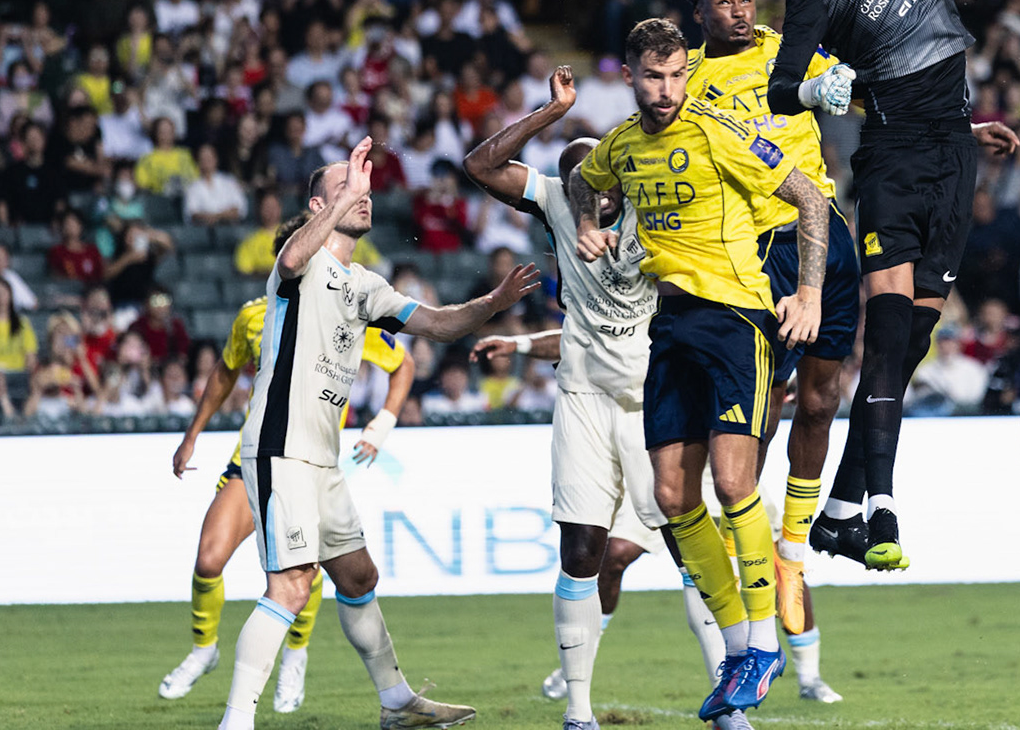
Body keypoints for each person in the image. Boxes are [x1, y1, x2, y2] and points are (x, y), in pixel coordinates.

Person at [758, 0, 1017, 571]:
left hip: (952, 140)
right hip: (897, 150)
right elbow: (788, 82)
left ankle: (837, 509)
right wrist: (856, 86)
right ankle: (882, 507)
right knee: (895, 327)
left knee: (911, 341)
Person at [216, 137, 539, 730]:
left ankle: (396, 703)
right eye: (347, 187)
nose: (364, 194)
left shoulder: (364, 284)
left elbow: (438, 326)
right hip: (280, 445)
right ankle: (236, 722)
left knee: (358, 575)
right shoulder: (301, 262)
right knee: (290, 586)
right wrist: (341, 200)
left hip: (322, 457)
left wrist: (492, 301)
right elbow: (288, 262)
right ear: (319, 207)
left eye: (365, 187)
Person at [463, 66, 745, 725]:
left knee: (689, 542)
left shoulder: (656, 204)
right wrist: (551, 112)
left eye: (593, 176)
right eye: (572, 179)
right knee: (581, 551)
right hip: (585, 400)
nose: (584, 189)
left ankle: (730, 703)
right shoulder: (560, 204)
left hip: (656, 397)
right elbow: (480, 164)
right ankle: (580, 712)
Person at [569, 18, 830, 722]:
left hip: (737, 319)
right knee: (673, 495)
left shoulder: (718, 129)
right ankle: (739, 652)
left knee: (731, 480)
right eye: (654, 77)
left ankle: (761, 645)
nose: (667, 90)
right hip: (672, 327)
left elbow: (810, 197)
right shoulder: (621, 146)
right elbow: (579, 178)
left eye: (678, 74)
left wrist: (807, 292)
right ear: (629, 75)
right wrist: (590, 221)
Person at [682, 0, 871, 686]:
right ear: (700, 11)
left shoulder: (791, 50)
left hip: (824, 237)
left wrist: (953, 130)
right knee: (762, 408)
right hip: (751, 252)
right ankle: (747, 542)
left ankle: (792, 546)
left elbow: (859, 94)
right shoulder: (688, 78)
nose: (739, 7)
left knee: (823, 400)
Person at [162, 236, 414, 712]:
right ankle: (202, 649)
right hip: (255, 456)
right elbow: (224, 371)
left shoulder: (343, 306)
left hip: (311, 458)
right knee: (209, 559)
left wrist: (380, 427)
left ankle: (295, 659)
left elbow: (404, 363)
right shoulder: (254, 314)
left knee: (306, 572)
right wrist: (192, 434)